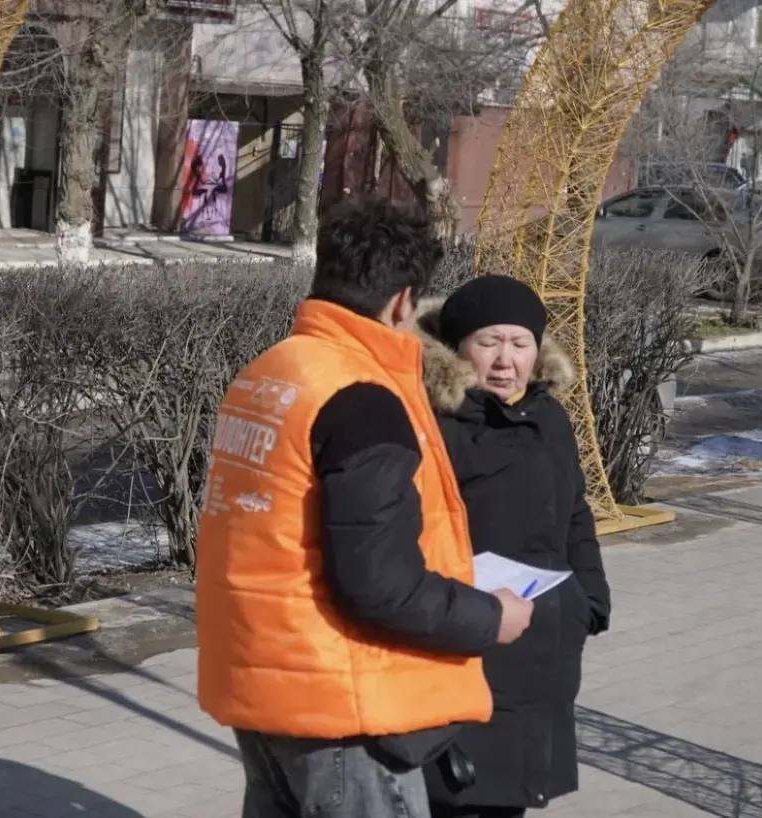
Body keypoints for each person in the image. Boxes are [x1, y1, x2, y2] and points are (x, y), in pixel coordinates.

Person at [196, 197, 535, 818]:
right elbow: (378, 583)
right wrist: (490, 618)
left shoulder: (269, 372)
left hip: (264, 679)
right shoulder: (362, 396)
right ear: (404, 302)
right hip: (344, 707)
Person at [417, 275, 612, 818]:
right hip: (467, 642)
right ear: (458, 349)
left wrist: (589, 600)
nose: (506, 360)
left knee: (513, 799)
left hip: (544, 643)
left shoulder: (548, 417)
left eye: (520, 343)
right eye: (489, 342)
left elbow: (575, 512)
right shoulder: (437, 426)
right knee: (459, 798)